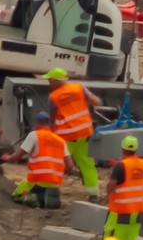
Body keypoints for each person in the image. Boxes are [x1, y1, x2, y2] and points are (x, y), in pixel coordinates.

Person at [42, 67, 103, 201]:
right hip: (84, 132)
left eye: (50, 80)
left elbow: (52, 117)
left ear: (55, 81)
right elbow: (96, 101)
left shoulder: (54, 96)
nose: (49, 83)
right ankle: (93, 194)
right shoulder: (79, 87)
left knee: (57, 162)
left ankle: (51, 191)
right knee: (87, 163)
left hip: (67, 135)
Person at [2, 112, 74, 209]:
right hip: (55, 184)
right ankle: (49, 198)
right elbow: (70, 166)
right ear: (49, 124)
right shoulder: (60, 140)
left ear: (36, 123)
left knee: (16, 195)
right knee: (43, 187)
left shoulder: (34, 135)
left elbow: (17, 156)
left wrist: (7, 158)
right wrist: (55, 174)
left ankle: (36, 199)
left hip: (37, 181)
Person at [105, 135, 143, 240]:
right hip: (136, 214)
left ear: (122, 149)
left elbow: (111, 186)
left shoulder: (120, 166)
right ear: (136, 149)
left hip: (120, 213)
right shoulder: (142, 164)